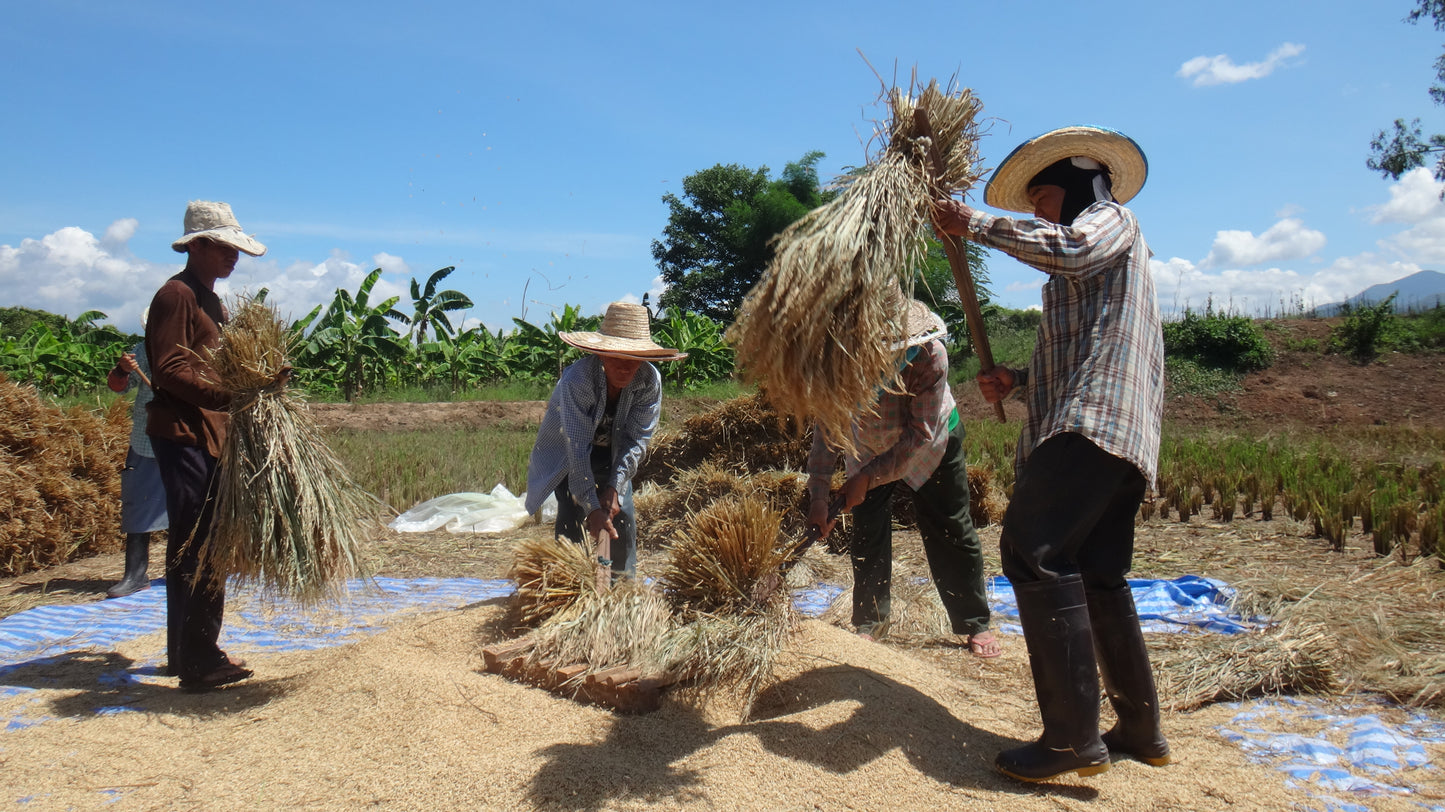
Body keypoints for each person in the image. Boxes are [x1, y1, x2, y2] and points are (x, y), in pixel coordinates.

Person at [933, 126, 1169, 782]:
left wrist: (973, 223)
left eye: (1039, 198)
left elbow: (1067, 249)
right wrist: (1017, 379)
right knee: (1096, 573)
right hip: (1113, 427)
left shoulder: (1107, 221)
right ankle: (1140, 728)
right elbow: (1086, 344)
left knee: (1031, 552)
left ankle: (1070, 739)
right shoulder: (1100, 263)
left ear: (1071, 186)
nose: (1035, 212)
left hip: (1092, 423)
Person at [805, 296, 1000, 658]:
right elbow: (827, 431)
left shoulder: (929, 356)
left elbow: (920, 435)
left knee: (951, 527)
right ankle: (870, 622)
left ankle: (974, 622)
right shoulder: (835, 366)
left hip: (931, 442)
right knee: (867, 531)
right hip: (867, 444)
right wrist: (819, 497)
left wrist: (868, 478)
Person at [146, 200, 267, 691]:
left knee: (197, 543)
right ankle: (199, 659)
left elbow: (211, 364)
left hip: (207, 435)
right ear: (196, 245)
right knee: (198, 544)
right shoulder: (176, 295)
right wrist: (230, 396)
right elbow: (171, 370)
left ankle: (187, 652)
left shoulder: (210, 300)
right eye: (223, 247)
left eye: (235, 250)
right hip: (184, 434)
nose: (232, 257)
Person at [524, 301, 685, 581]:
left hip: (615, 454)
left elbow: (637, 441)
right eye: (617, 357)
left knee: (622, 519)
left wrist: (613, 490)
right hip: (569, 456)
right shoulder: (579, 380)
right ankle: (568, 586)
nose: (625, 367)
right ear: (602, 354)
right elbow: (576, 449)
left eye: (633, 359)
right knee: (571, 516)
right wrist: (591, 507)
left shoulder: (649, 381)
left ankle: (622, 587)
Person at [103, 315, 167, 598]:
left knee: (194, 508)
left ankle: (189, 571)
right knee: (140, 503)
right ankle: (135, 575)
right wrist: (122, 369)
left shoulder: (200, 350)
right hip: (147, 438)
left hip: (191, 440)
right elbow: (117, 386)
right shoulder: (142, 350)